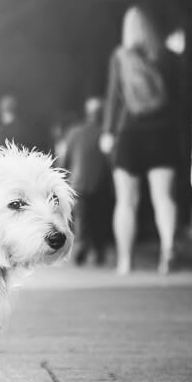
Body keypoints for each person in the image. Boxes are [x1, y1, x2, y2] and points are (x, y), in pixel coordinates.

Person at [100, 6, 179, 275]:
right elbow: (179, 98)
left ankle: (125, 260)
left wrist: (108, 132)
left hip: (131, 131)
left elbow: (114, 97)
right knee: (163, 197)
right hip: (163, 131)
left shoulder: (120, 56)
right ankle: (168, 249)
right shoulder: (166, 57)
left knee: (126, 201)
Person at [59, 97, 114, 266]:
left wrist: (63, 178)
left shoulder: (74, 132)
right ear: (101, 114)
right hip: (101, 183)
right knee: (98, 216)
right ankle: (98, 249)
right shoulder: (105, 133)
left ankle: (82, 245)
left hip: (78, 182)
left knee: (82, 216)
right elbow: (110, 160)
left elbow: (65, 158)